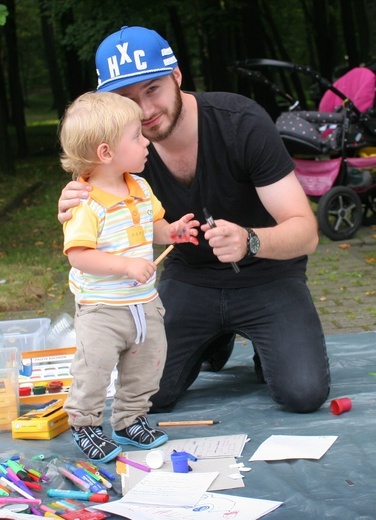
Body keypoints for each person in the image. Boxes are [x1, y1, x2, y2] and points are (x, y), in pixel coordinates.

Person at [58, 26, 331, 416]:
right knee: (146, 397)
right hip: (190, 277)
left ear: (177, 76)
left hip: (268, 274)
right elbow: (96, 222)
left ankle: (257, 340)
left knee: (302, 393)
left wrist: (250, 240)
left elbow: (305, 231)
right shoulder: (119, 151)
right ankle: (211, 339)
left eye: (152, 89)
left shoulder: (242, 123)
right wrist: (71, 208)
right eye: (127, 99)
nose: (146, 111)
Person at [59, 90, 199, 462]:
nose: (145, 142)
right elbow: (78, 255)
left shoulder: (140, 187)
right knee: (94, 369)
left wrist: (172, 232)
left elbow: (153, 226)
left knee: (148, 363)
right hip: (102, 310)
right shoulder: (85, 203)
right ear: (106, 153)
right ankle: (85, 424)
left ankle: (129, 419)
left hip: (144, 304)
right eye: (136, 137)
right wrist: (125, 267)